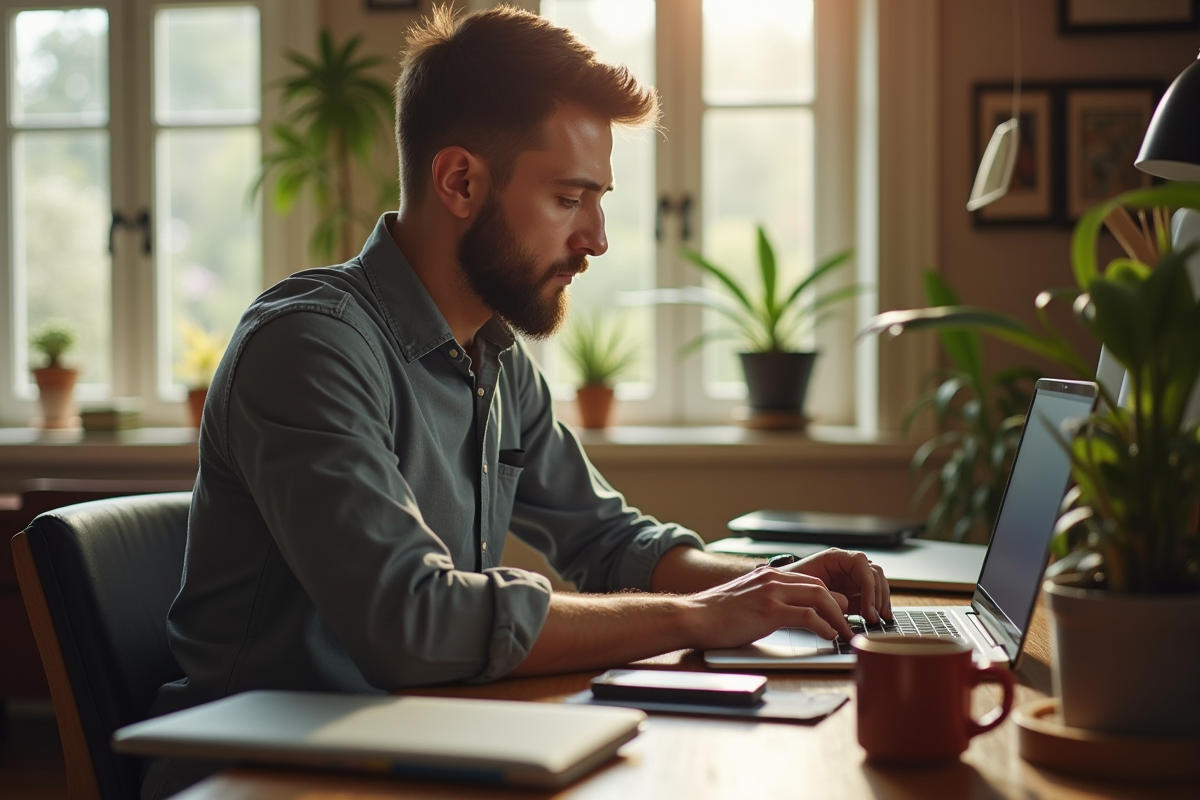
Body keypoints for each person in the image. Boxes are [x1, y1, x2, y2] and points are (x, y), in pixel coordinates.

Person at [142, 6, 890, 798]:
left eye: (599, 200)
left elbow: (609, 543)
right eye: (570, 199)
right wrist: (698, 617)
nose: (597, 238)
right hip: (263, 777)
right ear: (460, 180)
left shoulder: (495, 354)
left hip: (423, 740)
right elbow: (413, 620)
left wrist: (767, 588)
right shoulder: (309, 348)